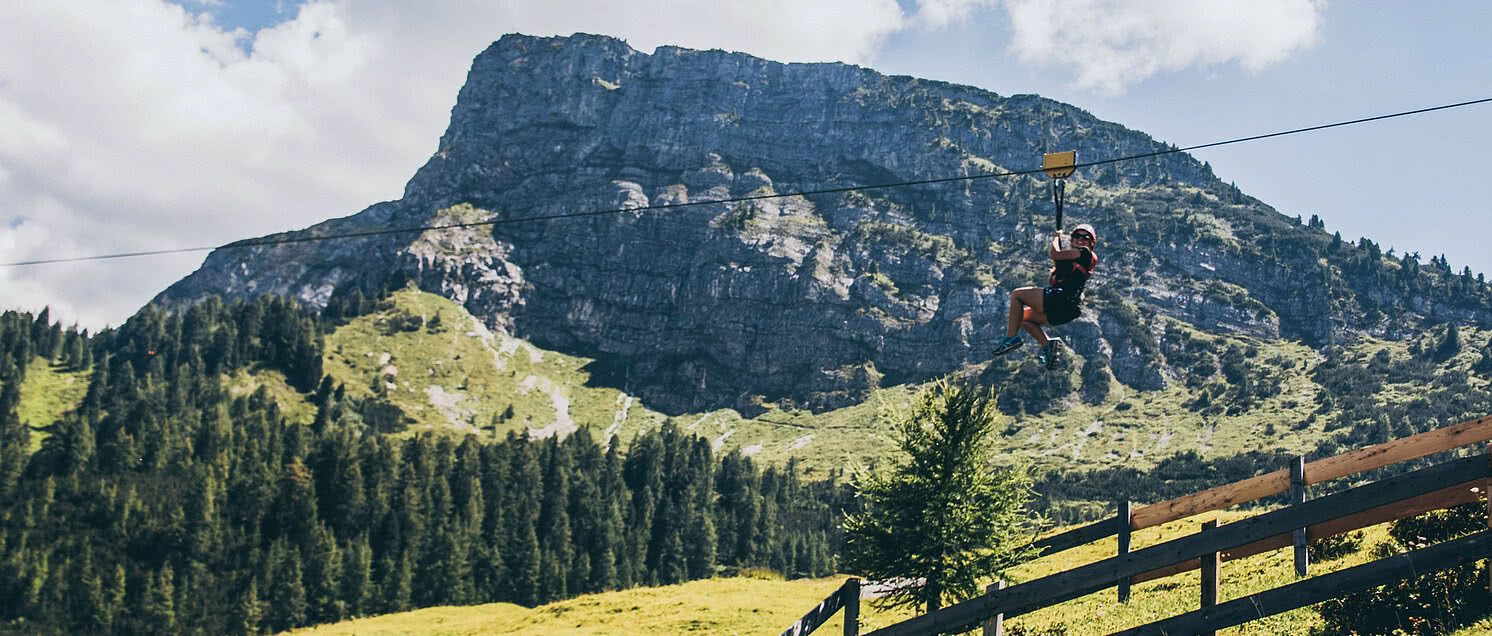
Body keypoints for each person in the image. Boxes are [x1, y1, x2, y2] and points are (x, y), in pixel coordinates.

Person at [992, 223, 1098, 367]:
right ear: (1072, 239)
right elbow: (1060, 261)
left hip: (1060, 298)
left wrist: (1055, 238)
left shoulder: (1085, 253)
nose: (1080, 240)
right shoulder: (1078, 261)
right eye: (1076, 236)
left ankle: (1011, 338)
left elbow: (1055, 254)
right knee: (1021, 318)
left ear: (1091, 243)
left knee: (1017, 295)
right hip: (1068, 309)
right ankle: (1048, 345)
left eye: (1085, 237)